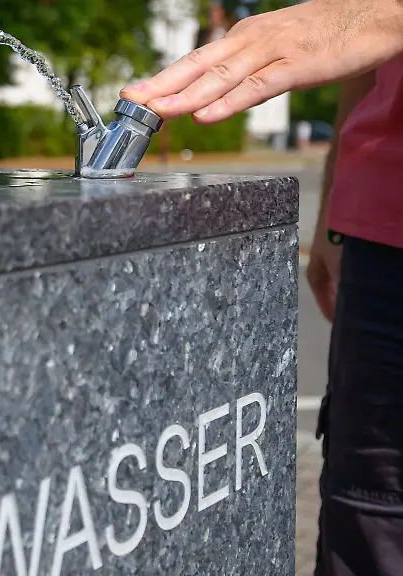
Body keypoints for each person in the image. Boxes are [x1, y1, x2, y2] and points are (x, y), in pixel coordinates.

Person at [121, 1, 403, 574]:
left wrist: (383, 17)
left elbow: (368, 24)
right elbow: (365, 59)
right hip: (385, 221)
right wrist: (335, 202)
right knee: (371, 520)